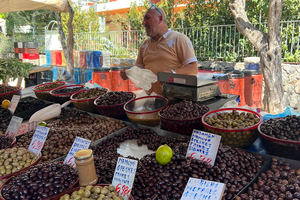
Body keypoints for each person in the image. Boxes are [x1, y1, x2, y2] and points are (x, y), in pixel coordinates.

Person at [121, 6, 198, 95]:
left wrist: (171, 74)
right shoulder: (144, 45)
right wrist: (129, 73)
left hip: (174, 100)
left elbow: (193, 68)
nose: (143, 23)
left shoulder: (179, 39)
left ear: (160, 18)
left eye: (147, 18)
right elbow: (139, 68)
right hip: (151, 100)